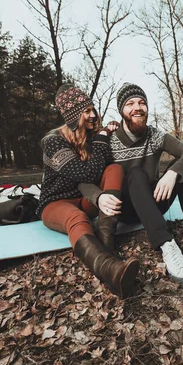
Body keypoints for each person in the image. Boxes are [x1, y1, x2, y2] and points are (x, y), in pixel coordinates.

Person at [79, 83, 183, 284]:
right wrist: (99, 196)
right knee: (136, 174)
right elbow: (85, 180)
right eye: (130, 103)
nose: (137, 107)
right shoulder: (109, 140)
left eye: (141, 102)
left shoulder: (154, 135)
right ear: (121, 110)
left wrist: (173, 173)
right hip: (126, 209)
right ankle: (166, 243)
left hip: (155, 203)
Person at [38, 84, 139, 298]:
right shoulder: (54, 142)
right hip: (55, 203)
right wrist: (102, 138)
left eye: (93, 109)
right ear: (74, 116)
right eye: (87, 111)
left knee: (115, 169)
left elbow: (104, 168)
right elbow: (86, 174)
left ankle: (106, 243)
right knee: (77, 217)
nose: (93, 115)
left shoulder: (89, 138)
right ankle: (110, 271)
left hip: (84, 197)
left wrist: (107, 131)